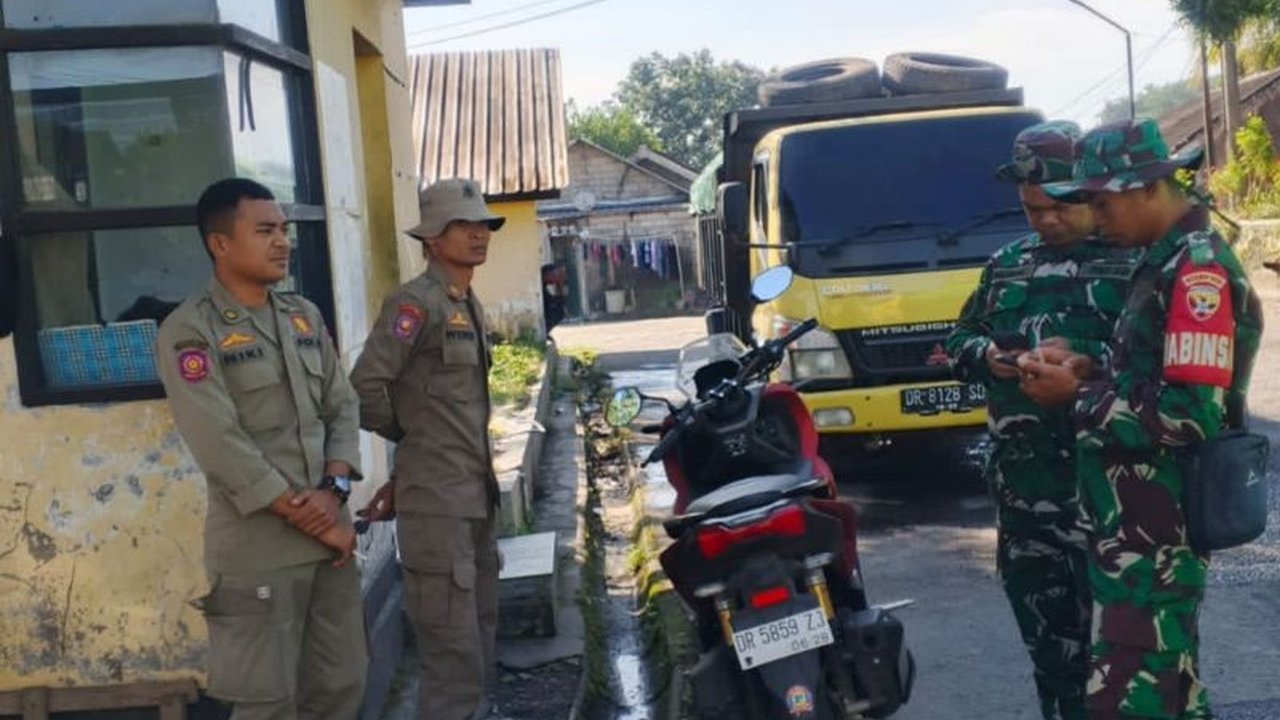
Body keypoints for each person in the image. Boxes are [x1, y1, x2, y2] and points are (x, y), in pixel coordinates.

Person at [1019, 118, 1263, 720]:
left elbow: (1188, 415)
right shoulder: (1164, 259)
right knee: (1168, 689)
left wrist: (1074, 400)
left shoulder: (1196, 269)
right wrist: (1086, 370)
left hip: (1158, 531)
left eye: (1103, 202)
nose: (1095, 218)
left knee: (1134, 697)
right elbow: (1150, 380)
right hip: (1135, 526)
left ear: (1147, 189)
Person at [157, 178, 366, 720]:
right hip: (259, 557)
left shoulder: (303, 316)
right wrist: (322, 519)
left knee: (340, 691)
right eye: (266, 230)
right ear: (219, 244)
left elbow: (341, 406)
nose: (283, 242)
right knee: (268, 706)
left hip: (329, 549)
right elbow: (220, 444)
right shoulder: (190, 332)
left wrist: (336, 487)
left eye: (285, 230)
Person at [947, 120, 1136, 720]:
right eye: (1032, 210)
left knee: (1128, 661)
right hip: (1027, 502)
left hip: (1114, 501)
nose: (1046, 221)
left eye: (1060, 207)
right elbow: (958, 340)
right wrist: (992, 359)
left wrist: (1087, 366)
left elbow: (1162, 367)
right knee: (1053, 656)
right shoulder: (1006, 266)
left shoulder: (1134, 262)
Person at [350, 178, 505, 720]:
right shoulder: (415, 304)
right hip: (437, 500)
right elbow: (366, 385)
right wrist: (413, 443)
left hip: (474, 493)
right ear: (433, 239)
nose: (478, 234)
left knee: (481, 629)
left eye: (483, 224)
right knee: (451, 649)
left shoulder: (465, 300)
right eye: (463, 226)